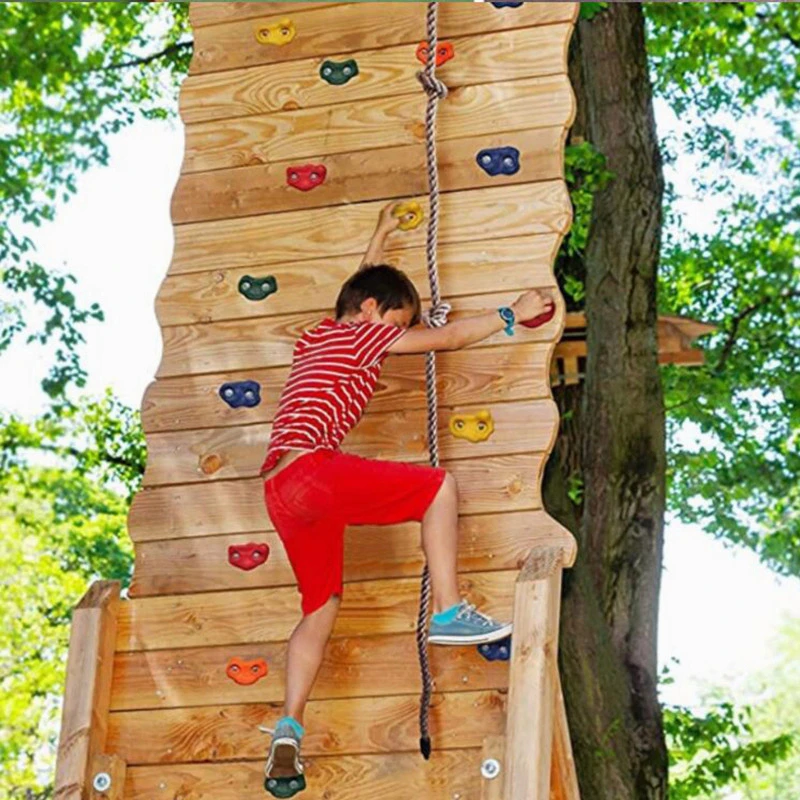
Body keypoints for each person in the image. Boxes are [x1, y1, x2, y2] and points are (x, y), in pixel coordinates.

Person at [259, 201, 554, 795]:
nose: (399, 335)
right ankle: (447, 609)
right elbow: (441, 337)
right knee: (439, 487)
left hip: (279, 488)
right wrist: (510, 315)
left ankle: (288, 725)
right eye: (397, 322)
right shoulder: (369, 333)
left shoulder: (320, 335)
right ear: (372, 315)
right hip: (315, 471)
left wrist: (380, 238)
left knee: (320, 607)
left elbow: (359, 289)